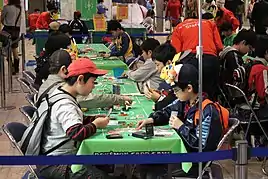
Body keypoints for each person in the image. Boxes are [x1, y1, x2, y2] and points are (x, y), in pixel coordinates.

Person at [137, 64, 224, 178]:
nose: (175, 94)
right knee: (144, 163)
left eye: (176, 90)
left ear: (189, 88)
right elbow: (167, 111)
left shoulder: (208, 111)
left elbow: (201, 146)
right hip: (181, 153)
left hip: (194, 162)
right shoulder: (184, 102)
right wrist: (152, 119)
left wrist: (181, 127)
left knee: (153, 171)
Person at [37, 58, 116, 179]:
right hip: (56, 163)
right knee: (100, 176)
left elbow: (74, 120)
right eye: (93, 82)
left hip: (54, 158)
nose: (93, 87)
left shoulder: (60, 92)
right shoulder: (65, 104)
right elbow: (76, 133)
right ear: (80, 79)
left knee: (103, 164)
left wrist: (92, 119)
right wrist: (95, 124)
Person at [37, 49, 133, 109]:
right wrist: (119, 99)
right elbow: (88, 99)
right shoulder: (61, 90)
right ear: (64, 69)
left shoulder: (49, 82)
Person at [171, 14, 223, 99]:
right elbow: (219, 46)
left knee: (192, 94)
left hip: (190, 61)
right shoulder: (209, 23)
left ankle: (192, 110)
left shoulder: (179, 28)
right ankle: (210, 108)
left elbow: (176, 52)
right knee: (211, 94)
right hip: (211, 60)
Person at [146, 43, 177, 110]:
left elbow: (174, 105)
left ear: (168, 63)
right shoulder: (168, 79)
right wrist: (159, 93)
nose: (157, 69)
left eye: (157, 65)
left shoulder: (176, 80)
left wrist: (159, 98)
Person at [1, 0, 22, 75]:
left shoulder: (6, 7)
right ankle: (16, 68)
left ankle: (11, 66)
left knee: (6, 48)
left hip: (7, 29)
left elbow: (2, 19)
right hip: (16, 30)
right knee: (14, 47)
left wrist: (5, 23)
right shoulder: (19, 8)